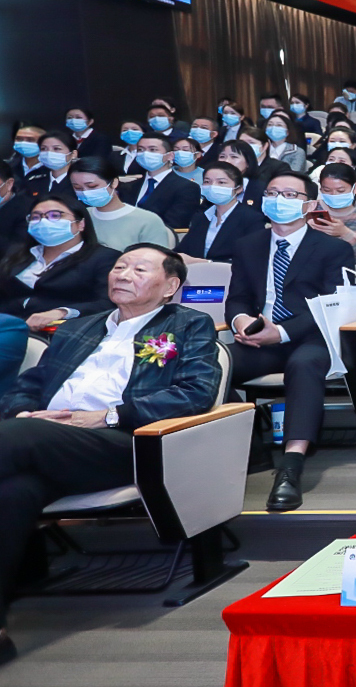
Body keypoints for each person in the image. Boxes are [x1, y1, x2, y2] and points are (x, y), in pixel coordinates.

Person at [0, 245, 220, 665]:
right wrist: (24, 411)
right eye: (120, 266)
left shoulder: (189, 324)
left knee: (24, 437)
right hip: (42, 439)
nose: (123, 274)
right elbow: (31, 383)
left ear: (170, 286)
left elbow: (195, 393)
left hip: (124, 441)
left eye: (139, 269)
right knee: (12, 493)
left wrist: (108, 416)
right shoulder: (78, 328)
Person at [225, 173, 355, 510]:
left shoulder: (333, 249)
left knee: (304, 364)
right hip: (260, 339)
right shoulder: (248, 245)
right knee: (214, 363)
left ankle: (291, 466)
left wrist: (281, 332)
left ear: (309, 205)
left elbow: (332, 305)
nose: (278, 199)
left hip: (313, 337)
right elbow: (237, 298)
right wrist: (242, 322)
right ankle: (250, 449)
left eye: (289, 194)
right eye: (272, 192)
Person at [0, 197, 118, 330]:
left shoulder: (104, 258)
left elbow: (107, 303)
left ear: (81, 224)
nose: (44, 222)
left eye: (55, 216)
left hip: (59, 331)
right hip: (6, 325)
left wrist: (63, 312)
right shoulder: (17, 253)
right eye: (36, 217)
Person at [64, 157, 171, 254]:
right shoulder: (78, 217)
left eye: (92, 186)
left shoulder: (147, 220)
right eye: (78, 188)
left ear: (114, 183)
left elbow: (156, 261)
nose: (85, 192)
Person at [177, 162, 267, 262]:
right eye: (207, 181)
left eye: (221, 182)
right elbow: (182, 251)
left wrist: (206, 263)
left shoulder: (252, 219)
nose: (212, 186)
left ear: (238, 188)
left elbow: (251, 258)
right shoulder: (201, 217)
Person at [119, 136, 199, 229]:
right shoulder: (129, 186)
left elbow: (176, 224)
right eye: (141, 150)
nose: (145, 154)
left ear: (170, 155)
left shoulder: (186, 187)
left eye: (153, 150)